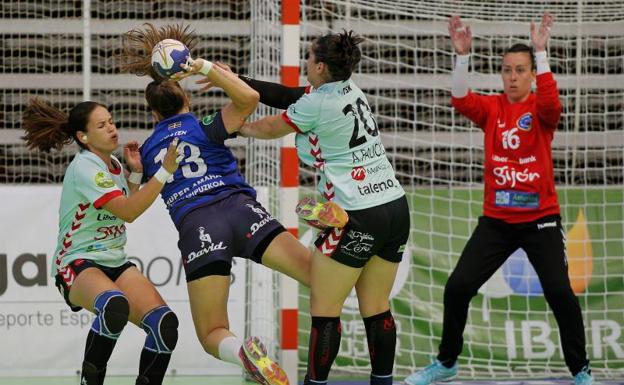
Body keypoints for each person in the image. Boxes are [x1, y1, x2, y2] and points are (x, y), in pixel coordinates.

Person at [118, 23, 329, 385]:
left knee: (212, 331)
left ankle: (244, 352)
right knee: (320, 279)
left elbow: (134, 205)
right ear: (188, 101)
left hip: (198, 228)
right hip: (240, 209)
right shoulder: (205, 125)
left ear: (152, 114)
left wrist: (135, 172)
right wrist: (205, 68)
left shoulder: (151, 151)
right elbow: (248, 99)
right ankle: (343, 231)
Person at [405, 13, 593, 385]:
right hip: (497, 222)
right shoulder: (492, 108)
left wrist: (541, 52)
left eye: (520, 70)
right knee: (457, 287)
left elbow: (553, 105)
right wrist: (461, 57)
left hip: (540, 221)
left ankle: (580, 370)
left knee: (560, 293)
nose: (512, 76)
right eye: (507, 70)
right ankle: (446, 362)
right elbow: (460, 99)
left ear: (530, 74)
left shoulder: (540, 109)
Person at [216, 30, 409, 385]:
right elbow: (290, 95)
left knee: (324, 310)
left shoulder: (316, 104)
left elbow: (273, 127)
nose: (304, 62)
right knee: (377, 307)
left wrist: (233, 129)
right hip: (395, 206)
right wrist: (237, 79)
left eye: (308, 57)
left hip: (358, 214)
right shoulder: (348, 89)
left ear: (320, 66)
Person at [21, 98, 181, 385]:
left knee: (164, 326)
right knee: (114, 305)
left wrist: (135, 172)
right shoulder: (86, 167)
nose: (111, 128)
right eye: (101, 125)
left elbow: (125, 201)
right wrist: (164, 171)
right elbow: (129, 212)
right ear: (83, 137)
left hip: (114, 261)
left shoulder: (115, 164)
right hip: (76, 263)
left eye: (110, 121)